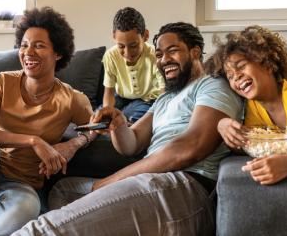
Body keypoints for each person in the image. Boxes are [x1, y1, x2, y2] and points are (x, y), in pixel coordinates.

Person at [13, 22, 242, 236]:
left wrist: (109, 182)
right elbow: (131, 144)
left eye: (173, 51)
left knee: (42, 230)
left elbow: (188, 148)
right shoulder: (165, 98)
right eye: (159, 54)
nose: (163, 60)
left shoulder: (212, 85)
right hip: (152, 182)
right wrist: (119, 123)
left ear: (194, 51)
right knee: (63, 190)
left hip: (181, 187)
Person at [0, 7, 96, 236]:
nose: (28, 52)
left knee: (28, 210)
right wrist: (33, 141)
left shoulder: (72, 99)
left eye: (39, 45)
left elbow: (93, 129)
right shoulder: (4, 82)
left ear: (58, 53)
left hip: (21, 186)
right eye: (24, 45)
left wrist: (73, 144)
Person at [205, 25, 287, 185]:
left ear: (267, 64)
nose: (236, 77)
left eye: (241, 66)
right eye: (230, 76)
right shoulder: (253, 107)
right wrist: (223, 127)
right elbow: (250, 147)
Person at [102, 7, 164, 122]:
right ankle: (86, 137)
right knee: (100, 116)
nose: (127, 53)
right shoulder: (110, 56)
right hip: (121, 98)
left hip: (147, 99)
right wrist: (107, 111)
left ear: (145, 35)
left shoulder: (155, 55)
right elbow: (109, 92)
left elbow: (164, 90)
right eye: (121, 46)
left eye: (133, 46)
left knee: (126, 117)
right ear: (114, 36)